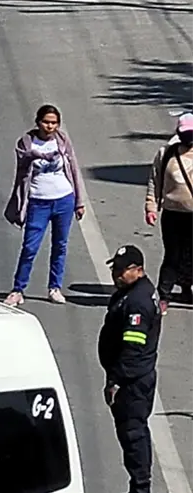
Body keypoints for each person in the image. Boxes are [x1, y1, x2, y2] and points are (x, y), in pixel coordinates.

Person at [4, 104, 85, 306]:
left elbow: (73, 170)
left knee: (60, 245)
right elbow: (22, 169)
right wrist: (34, 156)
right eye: (46, 122)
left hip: (63, 198)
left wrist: (79, 202)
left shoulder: (63, 141)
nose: (50, 126)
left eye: (54, 123)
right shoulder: (26, 143)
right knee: (30, 247)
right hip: (38, 201)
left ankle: (55, 288)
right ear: (38, 122)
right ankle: (18, 289)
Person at [99, 245, 161, 493]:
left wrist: (115, 380)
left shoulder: (138, 302)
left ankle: (140, 487)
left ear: (138, 270)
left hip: (132, 383)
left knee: (133, 434)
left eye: (121, 270)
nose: (116, 274)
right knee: (130, 434)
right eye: (114, 268)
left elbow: (132, 350)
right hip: (130, 379)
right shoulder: (131, 292)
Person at [144, 113, 193, 315]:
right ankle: (164, 295)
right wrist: (151, 207)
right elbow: (154, 181)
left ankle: (186, 289)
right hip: (173, 214)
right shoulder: (166, 154)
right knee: (173, 255)